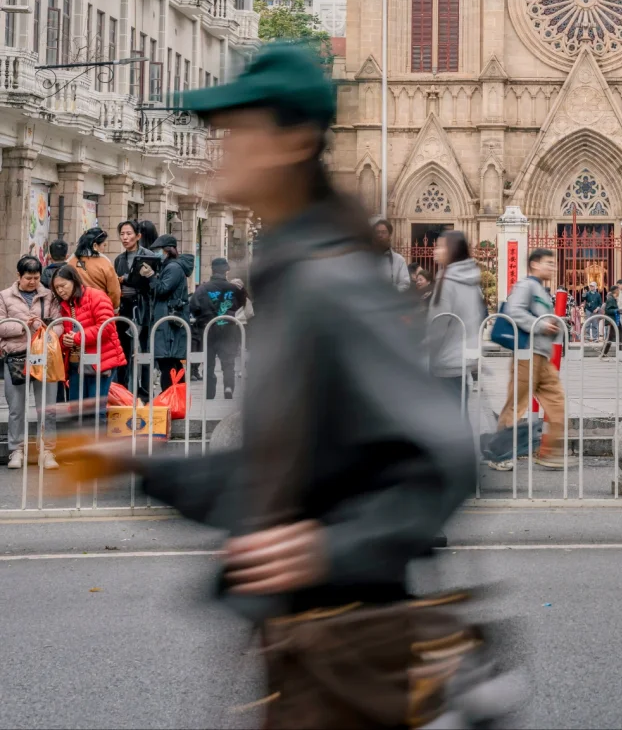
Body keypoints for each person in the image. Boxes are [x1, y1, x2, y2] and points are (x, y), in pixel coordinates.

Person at [62, 41, 479, 728]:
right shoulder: (293, 272)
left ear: (294, 141)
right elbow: (276, 475)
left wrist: (325, 549)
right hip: (306, 660)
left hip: (349, 662)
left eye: (237, 130)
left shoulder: (330, 281)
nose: (219, 147)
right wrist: (137, 463)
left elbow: (446, 459)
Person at [492, 247, 565, 470]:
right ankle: (499, 455)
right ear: (534, 264)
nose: (552, 267)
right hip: (527, 354)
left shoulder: (542, 290)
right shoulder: (526, 286)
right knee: (516, 404)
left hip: (542, 357)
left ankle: (549, 452)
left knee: (557, 401)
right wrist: (542, 325)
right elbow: (514, 311)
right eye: (548, 263)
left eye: (553, 263)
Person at [0, 254, 60, 469]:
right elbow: (1, 325)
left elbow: (59, 323)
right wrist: (25, 326)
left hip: (44, 356)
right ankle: (16, 449)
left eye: (36, 278)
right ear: (19, 275)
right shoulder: (4, 296)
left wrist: (46, 333)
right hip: (16, 357)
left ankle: (47, 450)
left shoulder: (49, 296)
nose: (33, 282)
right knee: (16, 407)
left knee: (47, 407)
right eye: (28, 278)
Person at [51, 263, 125, 413]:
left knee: (95, 410)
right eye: (56, 288)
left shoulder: (96, 296)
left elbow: (106, 327)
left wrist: (78, 338)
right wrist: (64, 340)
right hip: (75, 362)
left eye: (63, 286)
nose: (60, 291)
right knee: (77, 409)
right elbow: (65, 330)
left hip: (100, 360)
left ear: (74, 281)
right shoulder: (64, 304)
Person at [426, 230, 486, 385]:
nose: (435, 250)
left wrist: (425, 352)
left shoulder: (447, 280)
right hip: (465, 360)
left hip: (445, 363)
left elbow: (438, 323)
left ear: (452, 250)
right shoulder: (472, 278)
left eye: (441, 246)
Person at [190, 258, 248, 401]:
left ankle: (210, 392)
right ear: (226, 270)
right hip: (229, 328)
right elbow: (243, 302)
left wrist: (202, 316)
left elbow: (193, 306)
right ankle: (228, 387)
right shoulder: (233, 288)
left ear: (212, 269)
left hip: (208, 329)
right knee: (228, 361)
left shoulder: (203, 288)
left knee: (209, 362)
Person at [143, 233, 194, 393]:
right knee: (173, 364)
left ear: (168, 250)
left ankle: (170, 398)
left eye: (159, 250)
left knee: (168, 363)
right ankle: (176, 398)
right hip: (169, 322)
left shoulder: (173, 267)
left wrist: (151, 276)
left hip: (169, 325)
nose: (157, 253)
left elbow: (162, 290)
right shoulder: (171, 267)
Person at [113, 219, 154, 391]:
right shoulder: (119, 259)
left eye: (128, 233)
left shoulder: (148, 256)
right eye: (122, 234)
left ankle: (145, 389)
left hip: (143, 308)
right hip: (124, 308)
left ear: (138, 236)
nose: (125, 237)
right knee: (123, 349)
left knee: (144, 349)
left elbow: (147, 282)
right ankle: (123, 388)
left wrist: (125, 279)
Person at [72, 226, 122, 313]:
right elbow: (114, 292)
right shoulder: (104, 263)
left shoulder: (71, 261)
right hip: (101, 309)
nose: (104, 248)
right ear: (95, 245)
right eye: (104, 245)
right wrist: (113, 308)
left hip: (76, 309)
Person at [371, 217, 411, 291]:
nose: (380, 235)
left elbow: (404, 284)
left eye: (383, 232)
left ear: (389, 235)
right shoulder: (365, 258)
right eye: (377, 232)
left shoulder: (399, 260)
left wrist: (391, 292)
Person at [600, 285, 622, 356]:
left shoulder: (613, 299)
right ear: (615, 291)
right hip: (611, 320)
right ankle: (603, 353)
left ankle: (621, 352)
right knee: (610, 337)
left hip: (615, 320)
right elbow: (607, 310)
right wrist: (616, 310)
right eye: (618, 290)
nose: (619, 292)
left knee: (619, 333)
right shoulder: (610, 299)